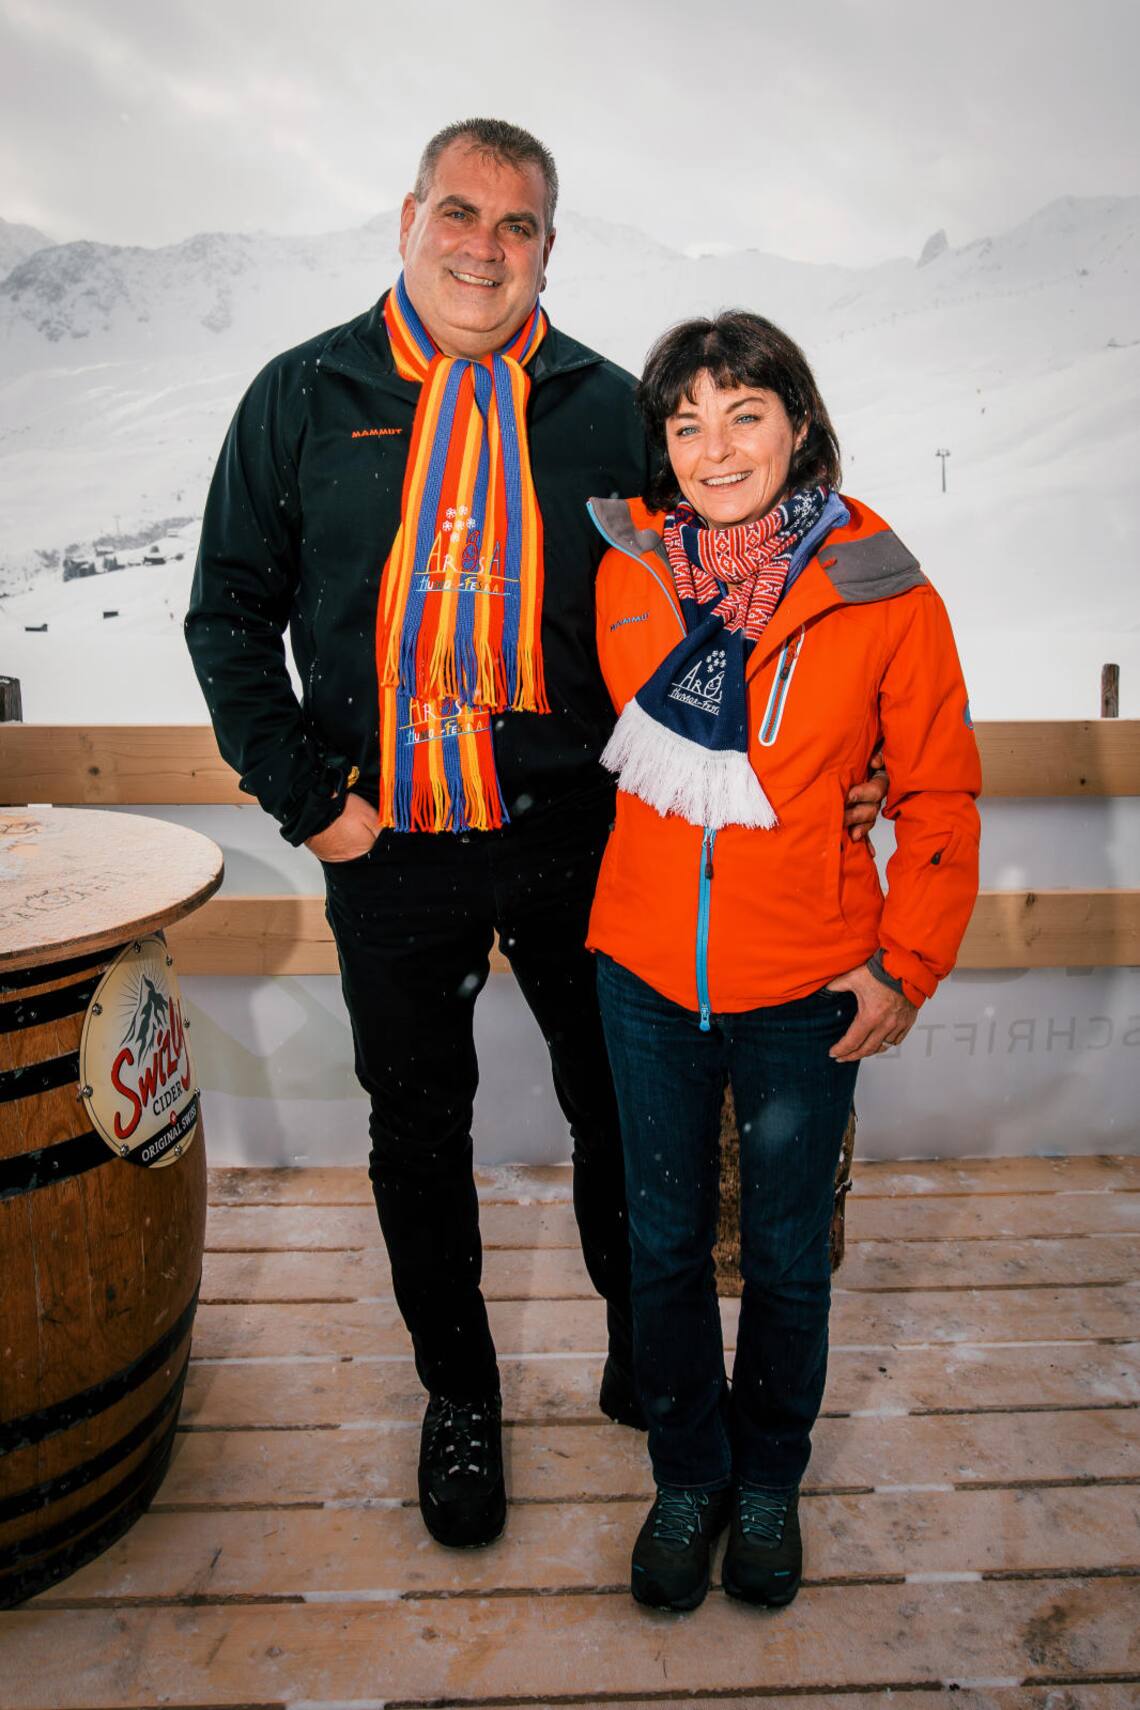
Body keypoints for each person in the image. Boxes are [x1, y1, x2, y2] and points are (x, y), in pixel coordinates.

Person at [185, 119, 885, 1553]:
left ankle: (646, 1343)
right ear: (408, 219)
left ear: (549, 250)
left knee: (621, 1112)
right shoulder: (303, 395)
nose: (484, 246)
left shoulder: (608, 409)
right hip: (386, 838)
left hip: (583, 832)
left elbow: (733, 587)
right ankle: (460, 1394)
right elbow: (228, 614)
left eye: (517, 224)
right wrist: (313, 801)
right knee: (417, 1127)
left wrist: (838, 757)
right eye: (461, 211)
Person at [586, 311, 981, 1612]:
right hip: (646, 972)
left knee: (787, 1255)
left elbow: (937, 792)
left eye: (743, 414)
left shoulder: (880, 587)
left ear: (797, 424)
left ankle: (767, 1481)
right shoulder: (629, 570)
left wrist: (905, 963)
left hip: (808, 980)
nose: (715, 448)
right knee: (660, 1245)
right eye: (687, 422)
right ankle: (687, 1474)